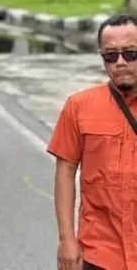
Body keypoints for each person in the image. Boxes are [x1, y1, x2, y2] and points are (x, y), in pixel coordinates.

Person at [48, 14, 137, 270]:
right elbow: (65, 170)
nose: (120, 62)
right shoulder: (79, 107)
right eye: (110, 55)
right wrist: (67, 240)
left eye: (130, 53)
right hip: (100, 254)